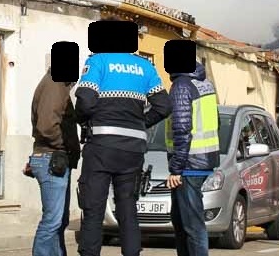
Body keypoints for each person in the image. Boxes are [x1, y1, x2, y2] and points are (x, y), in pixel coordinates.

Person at [75, 18, 172, 256]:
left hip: (101, 147)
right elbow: (164, 106)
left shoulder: (98, 61)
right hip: (133, 151)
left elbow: (85, 101)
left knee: (94, 208)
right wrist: (140, 123)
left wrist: (82, 120)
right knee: (128, 207)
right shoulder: (145, 67)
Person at [25, 66, 81, 256]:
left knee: (58, 222)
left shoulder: (54, 83)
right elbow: (47, 126)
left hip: (51, 158)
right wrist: (63, 145)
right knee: (52, 222)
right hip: (52, 159)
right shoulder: (55, 84)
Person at [165, 61, 218, 256]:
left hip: (189, 164)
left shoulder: (181, 85)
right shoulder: (205, 84)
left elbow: (182, 128)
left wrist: (176, 168)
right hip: (203, 159)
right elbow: (215, 122)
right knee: (184, 222)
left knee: (191, 226)